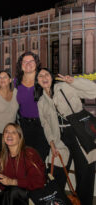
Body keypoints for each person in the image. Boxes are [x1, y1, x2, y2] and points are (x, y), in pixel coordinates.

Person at [36, 68, 96, 205]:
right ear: (37, 81)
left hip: (79, 134)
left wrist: (74, 82)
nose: (44, 77)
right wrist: (51, 142)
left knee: (85, 175)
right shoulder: (41, 102)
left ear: (51, 77)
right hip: (60, 138)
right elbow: (45, 124)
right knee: (56, 174)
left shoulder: (64, 87)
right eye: (40, 76)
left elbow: (93, 91)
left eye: (46, 74)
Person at [0, 123, 46, 205]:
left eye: (13, 132)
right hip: (9, 196)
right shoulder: (3, 156)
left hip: (30, 196)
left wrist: (13, 182)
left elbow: (39, 181)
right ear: (3, 136)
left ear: (20, 137)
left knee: (14, 192)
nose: (9, 135)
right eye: (6, 132)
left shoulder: (29, 153)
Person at [15, 51, 49, 161]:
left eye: (31, 61)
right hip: (24, 126)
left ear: (36, 63)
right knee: (27, 157)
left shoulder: (43, 80)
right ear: (21, 65)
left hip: (42, 125)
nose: (27, 63)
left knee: (40, 158)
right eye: (24, 61)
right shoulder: (16, 82)